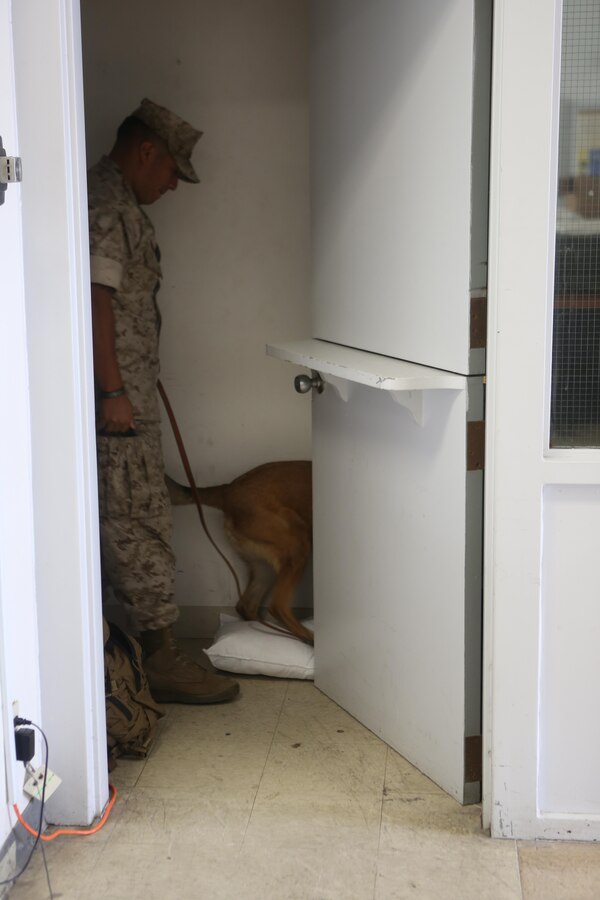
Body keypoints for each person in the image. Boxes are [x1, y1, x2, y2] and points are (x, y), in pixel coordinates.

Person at [88, 98, 239, 704]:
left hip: (129, 399)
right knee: (137, 525)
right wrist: (115, 389)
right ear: (146, 150)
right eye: (173, 170)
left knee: (138, 520)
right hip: (118, 406)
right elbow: (95, 300)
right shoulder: (108, 206)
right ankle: (161, 661)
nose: (174, 183)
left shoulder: (120, 204)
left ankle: (146, 651)